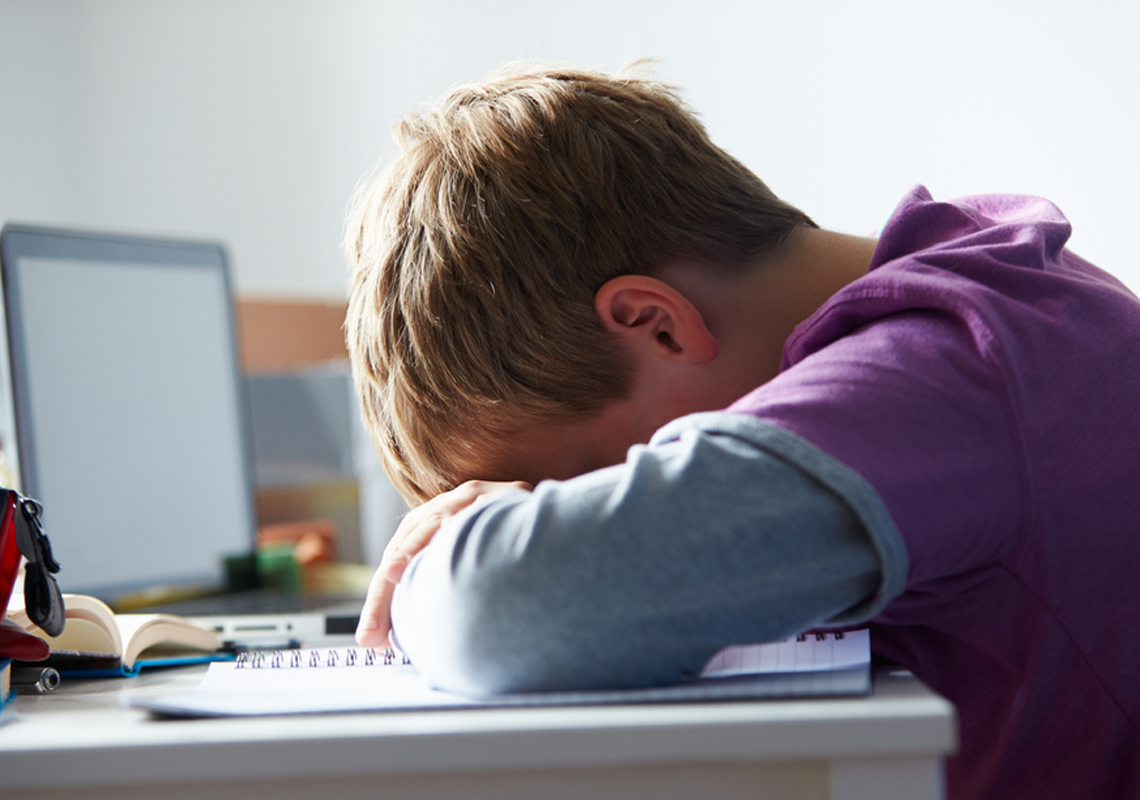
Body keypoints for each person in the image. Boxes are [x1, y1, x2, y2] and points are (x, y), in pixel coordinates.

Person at [343, 63, 1140, 800]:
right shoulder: (994, 292)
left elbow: (503, 611)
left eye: (586, 487)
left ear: (656, 325)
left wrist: (454, 553)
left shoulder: (947, 373)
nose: (609, 510)